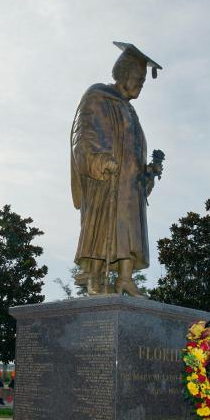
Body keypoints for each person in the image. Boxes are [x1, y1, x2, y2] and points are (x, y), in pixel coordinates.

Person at [71, 42, 163, 296]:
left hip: (130, 183)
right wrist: (98, 160)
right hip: (106, 179)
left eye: (143, 81)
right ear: (123, 75)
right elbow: (85, 134)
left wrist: (147, 171)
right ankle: (95, 279)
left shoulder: (129, 109)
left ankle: (125, 278)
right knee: (104, 227)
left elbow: (133, 147)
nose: (140, 85)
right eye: (138, 79)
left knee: (129, 229)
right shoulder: (98, 96)